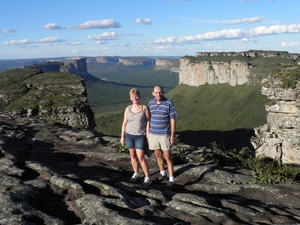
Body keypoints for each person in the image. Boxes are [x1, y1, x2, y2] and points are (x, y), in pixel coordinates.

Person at [120, 88, 152, 187]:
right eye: (133, 96)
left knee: (141, 157)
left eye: (136, 96)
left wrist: (147, 135)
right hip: (129, 135)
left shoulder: (144, 108)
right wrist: (122, 137)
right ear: (130, 98)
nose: (135, 98)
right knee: (133, 156)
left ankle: (147, 177)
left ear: (139, 96)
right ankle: (136, 173)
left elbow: (148, 122)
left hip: (140, 135)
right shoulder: (128, 108)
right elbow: (124, 123)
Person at [147, 85, 178, 187]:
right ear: (153, 93)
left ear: (163, 92)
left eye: (160, 92)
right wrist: (147, 134)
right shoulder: (150, 103)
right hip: (153, 134)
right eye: (156, 92)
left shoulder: (169, 103)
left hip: (164, 135)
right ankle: (162, 173)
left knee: (168, 157)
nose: (158, 94)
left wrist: (172, 135)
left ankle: (171, 178)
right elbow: (148, 119)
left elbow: (172, 121)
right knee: (157, 155)